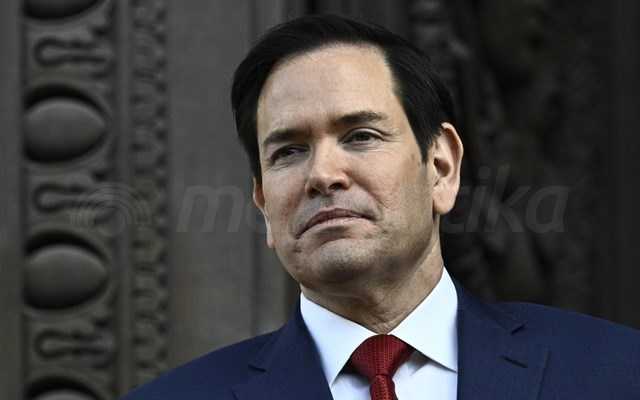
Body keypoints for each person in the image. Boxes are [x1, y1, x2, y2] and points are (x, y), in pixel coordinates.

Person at [122, 14, 640, 400]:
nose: (323, 174)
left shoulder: (615, 373)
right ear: (263, 204)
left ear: (441, 167)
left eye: (361, 136)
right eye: (289, 152)